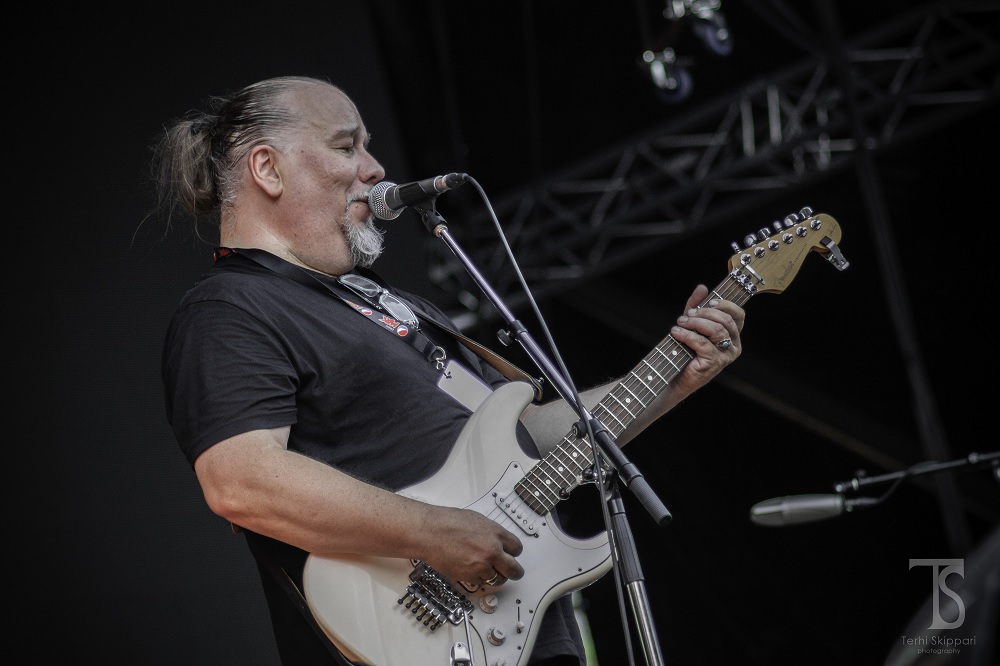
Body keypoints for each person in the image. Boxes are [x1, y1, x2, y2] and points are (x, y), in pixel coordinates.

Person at [155, 75, 746, 666]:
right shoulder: (232, 306)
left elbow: (529, 438)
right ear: (267, 168)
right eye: (346, 146)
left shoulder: (403, 308)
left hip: (518, 632)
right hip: (411, 638)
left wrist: (674, 375)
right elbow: (243, 480)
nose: (375, 169)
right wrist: (432, 531)